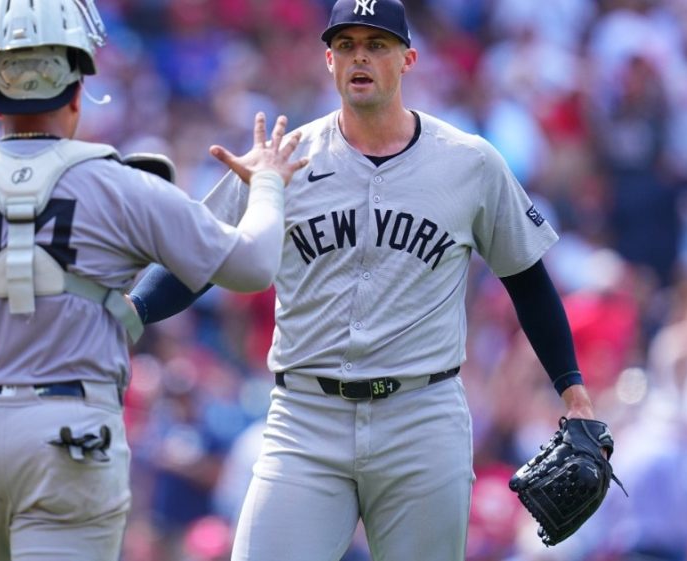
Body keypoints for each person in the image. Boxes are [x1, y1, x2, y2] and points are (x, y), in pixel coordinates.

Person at [0, 0, 308, 560]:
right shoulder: (124, 185)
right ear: (78, 90)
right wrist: (266, 183)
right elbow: (252, 266)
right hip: (70, 437)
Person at [129, 0, 607, 559]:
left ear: (407, 59)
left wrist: (572, 389)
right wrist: (129, 312)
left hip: (421, 419)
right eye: (348, 45)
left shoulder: (470, 163)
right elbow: (198, 256)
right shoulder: (284, 161)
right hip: (305, 420)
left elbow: (527, 280)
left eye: (377, 45)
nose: (361, 57)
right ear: (328, 60)